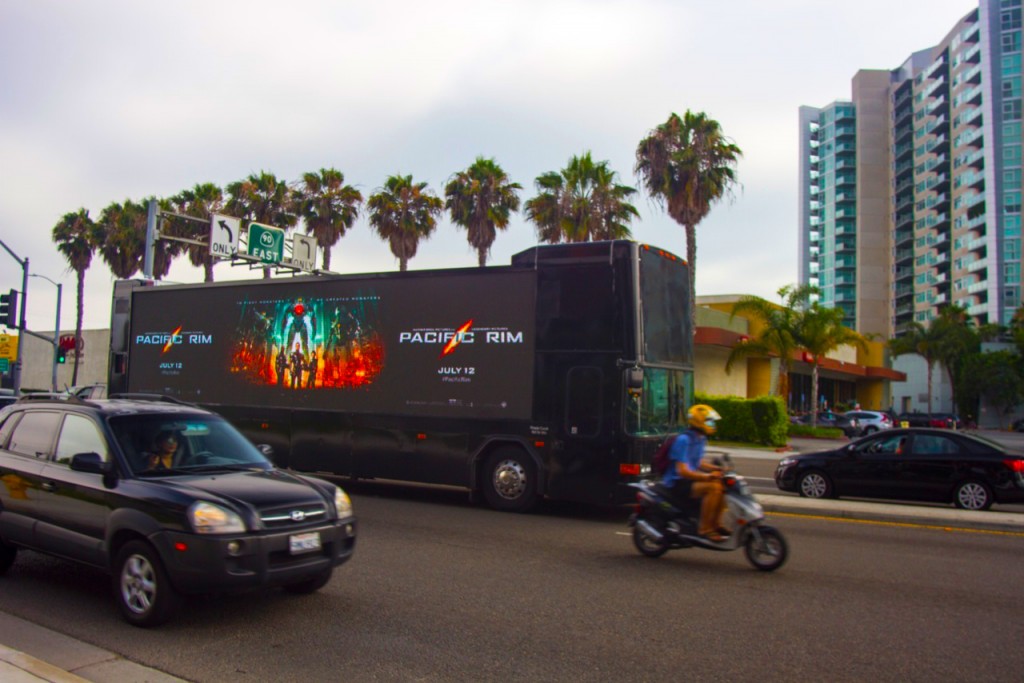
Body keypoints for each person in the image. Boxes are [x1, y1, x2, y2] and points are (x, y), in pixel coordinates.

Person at [662, 404, 729, 542]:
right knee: (713, 488)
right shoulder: (683, 440)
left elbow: (698, 463)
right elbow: (683, 471)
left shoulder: (700, 439)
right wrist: (707, 477)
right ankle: (704, 529)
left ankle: (716, 524)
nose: (711, 424)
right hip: (677, 482)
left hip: (689, 479)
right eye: (708, 421)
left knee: (723, 485)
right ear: (699, 422)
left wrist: (716, 470)